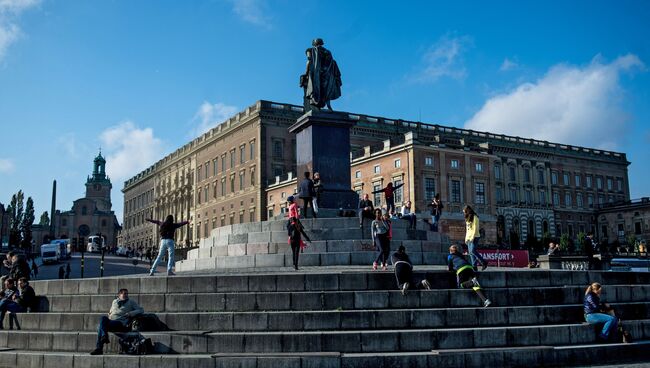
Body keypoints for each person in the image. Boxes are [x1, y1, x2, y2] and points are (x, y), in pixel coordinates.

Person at [90, 288, 144, 355]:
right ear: (119, 295)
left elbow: (141, 310)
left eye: (127, 293)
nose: (126, 295)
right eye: (124, 293)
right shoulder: (114, 301)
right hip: (111, 322)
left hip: (120, 323)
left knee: (101, 327)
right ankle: (103, 337)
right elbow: (111, 311)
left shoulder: (131, 302)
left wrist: (130, 313)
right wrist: (109, 314)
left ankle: (99, 347)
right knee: (103, 318)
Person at [300, 38, 342, 111]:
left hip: (317, 74)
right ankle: (329, 106)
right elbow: (331, 62)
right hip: (327, 74)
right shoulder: (327, 52)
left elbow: (309, 60)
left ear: (313, 44)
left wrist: (306, 73)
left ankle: (316, 106)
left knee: (317, 90)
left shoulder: (310, 50)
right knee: (326, 91)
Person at [464, 205, 487, 271]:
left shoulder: (475, 217)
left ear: (468, 211)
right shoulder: (467, 218)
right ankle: (474, 267)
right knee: (471, 253)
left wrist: (472, 237)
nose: (464, 213)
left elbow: (475, 229)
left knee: (473, 251)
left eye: (465, 212)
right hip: (469, 238)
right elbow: (467, 229)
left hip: (475, 237)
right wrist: (466, 238)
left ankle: (484, 262)